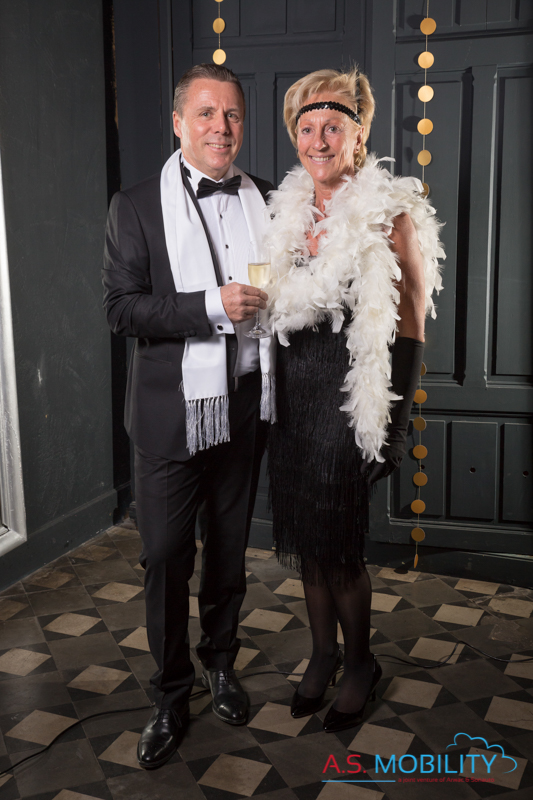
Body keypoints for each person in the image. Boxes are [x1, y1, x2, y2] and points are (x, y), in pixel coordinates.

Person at [103, 63, 275, 769]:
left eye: (231, 114)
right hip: (169, 415)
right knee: (168, 558)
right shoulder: (136, 205)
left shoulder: (267, 197)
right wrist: (211, 306)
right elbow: (121, 310)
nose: (220, 128)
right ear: (178, 124)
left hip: (245, 405)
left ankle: (220, 663)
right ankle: (171, 694)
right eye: (206, 113)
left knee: (229, 551)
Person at [266, 67, 444, 732]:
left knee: (339, 548)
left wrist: (390, 429)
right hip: (293, 400)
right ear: (296, 137)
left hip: (350, 405)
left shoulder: (388, 216)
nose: (318, 140)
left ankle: (361, 664)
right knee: (308, 544)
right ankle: (322, 654)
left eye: (332, 127)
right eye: (307, 127)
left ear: (358, 134)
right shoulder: (285, 214)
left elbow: (411, 327)